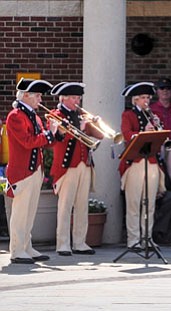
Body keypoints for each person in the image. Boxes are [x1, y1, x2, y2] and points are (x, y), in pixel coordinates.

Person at [5, 78, 58, 264]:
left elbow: (45, 142)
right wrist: (49, 134)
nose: (40, 100)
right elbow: (28, 142)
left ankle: (27, 246)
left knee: (30, 211)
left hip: (36, 170)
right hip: (22, 171)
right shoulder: (15, 116)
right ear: (25, 95)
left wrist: (56, 133)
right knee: (20, 212)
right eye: (37, 95)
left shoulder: (34, 116)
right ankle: (17, 250)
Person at [49, 82, 104, 256]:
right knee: (65, 205)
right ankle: (63, 243)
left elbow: (100, 136)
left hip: (84, 164)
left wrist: (95, 123)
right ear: (64, 98)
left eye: (78, 97)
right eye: (73, 97)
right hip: (67, 166)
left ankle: (80, 242)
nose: (77, 101)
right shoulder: (56, 115)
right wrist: (80, 128)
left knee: (82, 205)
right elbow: (57, 141)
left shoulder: (80, 115)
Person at [119, 82, 166, 250]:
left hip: (151, 162)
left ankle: (147, 237)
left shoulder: (153, 115)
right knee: (133, 203)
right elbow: (126, 135)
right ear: (135, 100)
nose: (147, 101)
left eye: (148, 97)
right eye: (144, 98)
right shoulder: (128, 115)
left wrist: (157, 129)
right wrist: (143, 132)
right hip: (135, 163)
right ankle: (133, 239)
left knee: (149, 203)